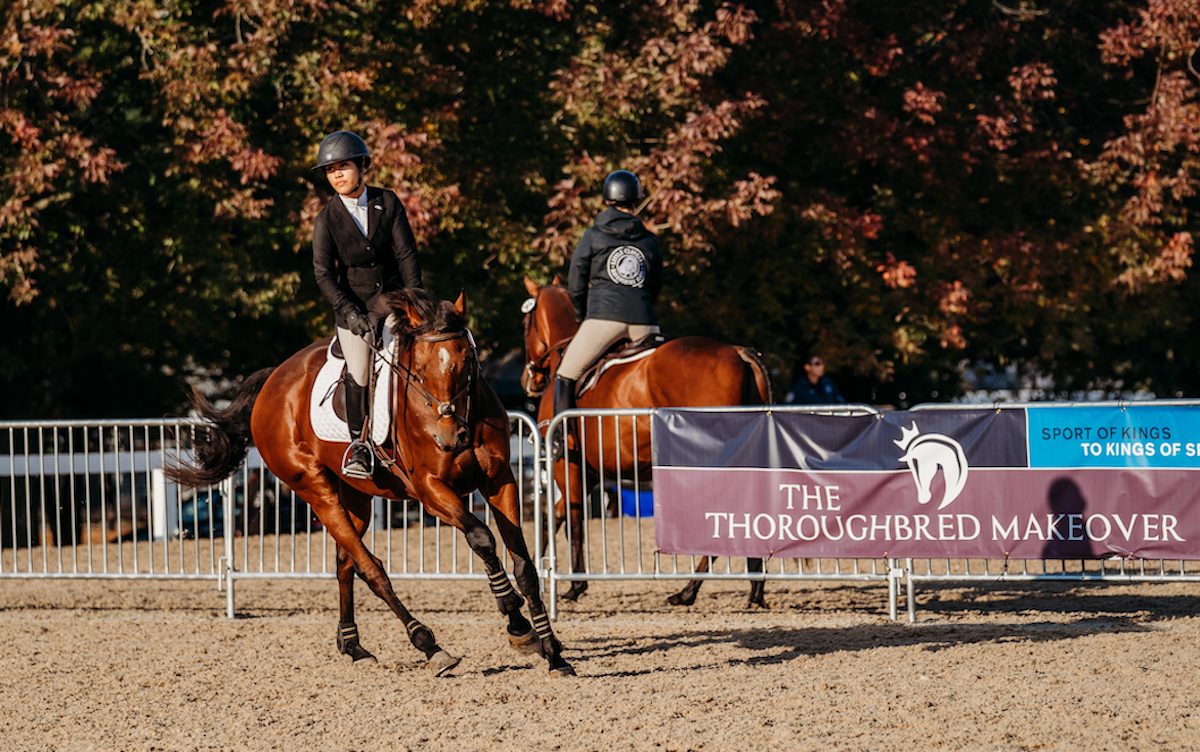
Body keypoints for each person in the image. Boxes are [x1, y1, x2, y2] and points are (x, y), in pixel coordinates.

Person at [311, 130, 423, 478]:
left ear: (361, 166)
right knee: (359, 369)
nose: (338, 175)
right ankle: (359, 445)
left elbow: (405, 253)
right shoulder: (326, 220)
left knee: (414, 354)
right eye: (331, 171)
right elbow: (323, 275)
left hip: (392, 299)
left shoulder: (387, 202)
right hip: (353, 307)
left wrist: (414, 299)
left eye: (343, 167)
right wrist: (348, 312)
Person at [551, 169, 663, 457]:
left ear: (607, 199)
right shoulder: (650, 240)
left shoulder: (593, 235)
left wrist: (580, 312)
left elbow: (576, 278)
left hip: (604, 317)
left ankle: (561, 443)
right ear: (637, 199)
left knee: (565, 373)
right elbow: (657, 283)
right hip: (645, 322)